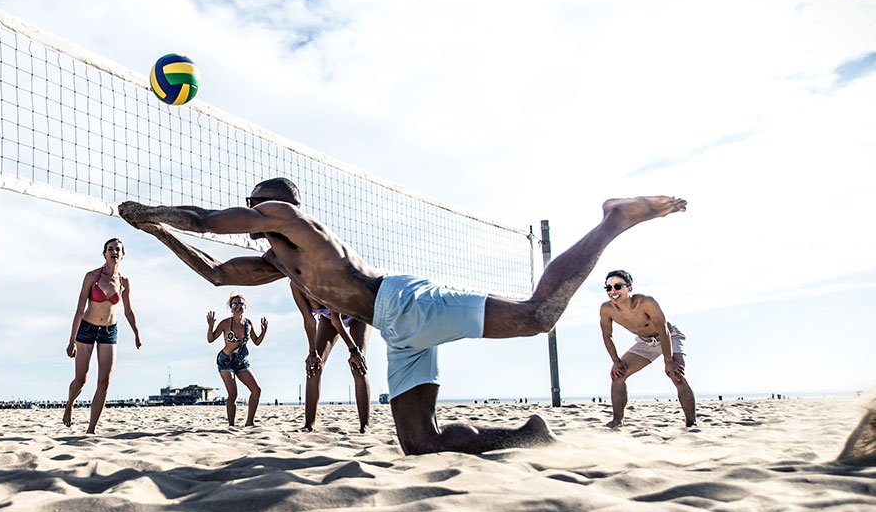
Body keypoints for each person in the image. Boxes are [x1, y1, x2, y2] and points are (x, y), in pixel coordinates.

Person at [118, 177, 687, 455]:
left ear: (275, 205)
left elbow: (212, 221)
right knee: (420, 443)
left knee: (538, 316)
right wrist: (158, 230)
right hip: (398, 328)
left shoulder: (295, 224)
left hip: (404, 302)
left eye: (257, 203)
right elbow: (217, 273)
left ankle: (614, 219)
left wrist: (159, 209)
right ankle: (525, 435)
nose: (253, 211)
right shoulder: (278, 261)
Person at [598, 269, 696, 428]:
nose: (613, 291)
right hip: (645, 342)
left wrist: (668, 361)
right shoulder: (606, 309)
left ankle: (691, 423)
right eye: (608, 288)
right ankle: (617, 421)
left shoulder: (646, 303)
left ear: (629, 288)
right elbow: (607, 336)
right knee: (617, 375)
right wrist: (616, 361)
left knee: (676, 375)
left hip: (669, 336)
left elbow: (663, 330)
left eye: (617, 286)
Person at [63, 238, 142, 434]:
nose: (114, 252)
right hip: (87, 328)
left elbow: (128, 311)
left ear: (122, 255)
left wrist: (136, 334)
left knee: (104, 382)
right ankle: (70, 404)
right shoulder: (92, 276)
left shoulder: (124, 282)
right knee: (81, 380)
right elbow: (80, 309)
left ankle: (91, 429)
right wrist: (71, 340)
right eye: (110, 249)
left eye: (118, 250)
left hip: (109, 331)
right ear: (104, 253)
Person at [292, 287, 370, 432]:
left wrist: (354, 351)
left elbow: (337, 320)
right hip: (329, 319)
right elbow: (309, 321)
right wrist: (312, 352)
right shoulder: (295, 285)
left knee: (358, 365)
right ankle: (309, 425)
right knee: (314, 366)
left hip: (358, 312)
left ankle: (364, 425)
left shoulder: (323, 277)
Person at [207, 293, 268, 427]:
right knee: (233, 394)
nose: (238, 307)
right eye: (235, 304)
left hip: (241, 361)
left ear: (245, 306)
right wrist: (210, 326)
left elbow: (257, 341)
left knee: (256, 390)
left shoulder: (248, 323)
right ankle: (231, 425)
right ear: (231, 307)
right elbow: (211, 339)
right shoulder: (225, 323)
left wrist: (264, 331)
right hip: (225, 360)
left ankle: (249, 422)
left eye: (241, 304)